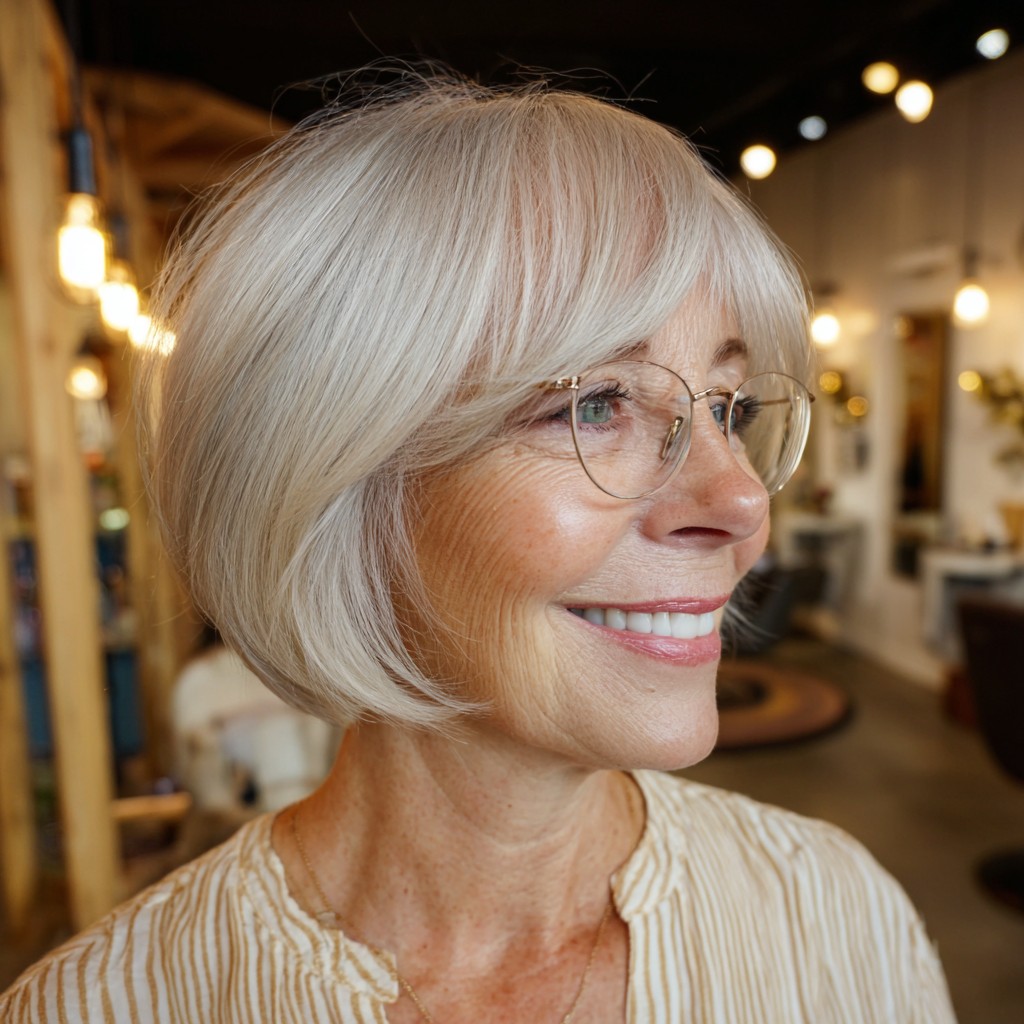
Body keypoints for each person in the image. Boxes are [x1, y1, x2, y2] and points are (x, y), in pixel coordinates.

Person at [1, 71, 956, 1022]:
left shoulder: (836, 920)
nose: (741, 499)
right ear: (330, 479)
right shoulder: (102, 1006)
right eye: (597, 403)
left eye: (730, 409)